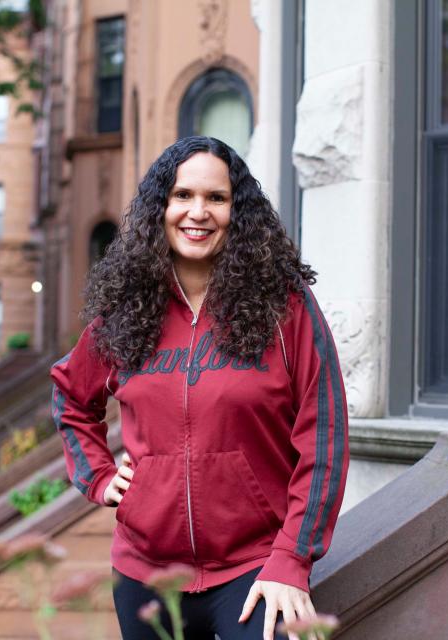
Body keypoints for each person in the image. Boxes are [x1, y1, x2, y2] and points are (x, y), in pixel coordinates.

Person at [50, 136, 349, 640]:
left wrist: (292, 558)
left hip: (253, 568)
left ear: (239, 212)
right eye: (182, 195)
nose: (198, 212)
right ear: (160, 207)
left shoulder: (284, 306)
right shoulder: (126, 309)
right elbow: (72, 395)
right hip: (149, 573)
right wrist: (100, 477)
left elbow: (325, 432)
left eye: (216, 198)